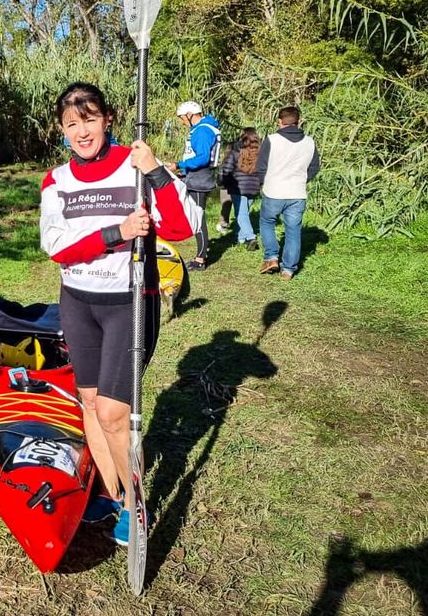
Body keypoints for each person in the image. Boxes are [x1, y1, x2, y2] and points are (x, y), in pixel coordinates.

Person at [40, 82, 201, 545]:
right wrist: (116, 232)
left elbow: (182, 228)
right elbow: (57, 247)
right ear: (62, 130)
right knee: (90, 403)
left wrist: (153, 171)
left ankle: (135, 505)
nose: (82, 131)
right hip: (78, 302)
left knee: (113, 412)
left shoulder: (135, 167)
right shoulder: (57, 181)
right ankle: (110, 495)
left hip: (130, 301)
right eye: (72, 124)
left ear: (107, 118)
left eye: (89, 119)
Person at [258, 106, 320, 280]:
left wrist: (262, 182)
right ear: (299, 121)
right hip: (297, 193)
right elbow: (315, 167)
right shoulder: (310, 142)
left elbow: (261, 166)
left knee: (267, 222)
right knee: (293, 231)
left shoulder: (272, 140)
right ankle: (288, 270)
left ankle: (271, 257)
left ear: (280, 121)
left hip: (274, 191)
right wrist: (301, 179)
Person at [167, 100, 221, 271]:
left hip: (200, 178)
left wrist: (179, 164)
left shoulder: (203, 131)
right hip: (196, 176)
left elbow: (203, 158)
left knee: (198, 218)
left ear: (190, 115)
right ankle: (200, 254)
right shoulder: (201, 129)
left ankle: (201, 258)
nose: (182, 122)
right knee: (194, 216)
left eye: (182, 118)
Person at [219, 127, 262, 250]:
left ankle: (250, 237)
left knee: (241, 213)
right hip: (254, 188)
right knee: (244, 213)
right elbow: (263, 171)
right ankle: (241, 238)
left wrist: (222, 182)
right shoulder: (259, 154)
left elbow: (226, 169)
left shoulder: (235, 152)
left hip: (238, 187)